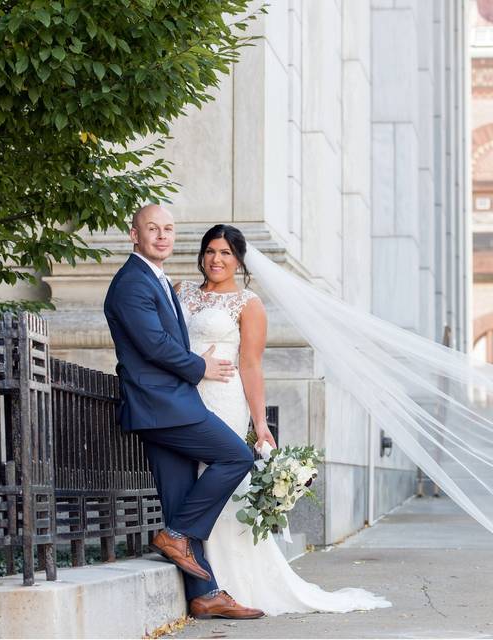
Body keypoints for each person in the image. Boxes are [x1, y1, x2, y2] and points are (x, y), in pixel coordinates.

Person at [173, 224, 392, 615]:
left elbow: (252, 366)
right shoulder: (181, 292)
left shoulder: (248, 303)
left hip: (222, 399)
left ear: (239, 260)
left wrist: (260, 424)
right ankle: (199, 574)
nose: (216, 259)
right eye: (210, 251)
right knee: (186, 483)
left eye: (225, 253)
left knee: (225, 487)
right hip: (183, 395)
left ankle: (231, 583)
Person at [103, 204, 265, 620]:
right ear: (133, 234)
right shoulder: (131, 283)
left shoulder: (157, 280)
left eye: (169, 229)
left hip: (171, 403)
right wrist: (201, 367)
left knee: (178, 501)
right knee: (236, 456)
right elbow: (154, 345)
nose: (162, 236)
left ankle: (204, 593)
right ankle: (175, 537)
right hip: (163, 405)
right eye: (152, 228)